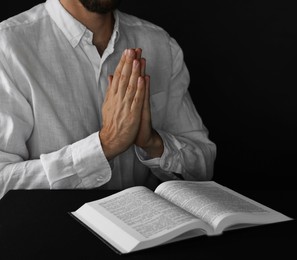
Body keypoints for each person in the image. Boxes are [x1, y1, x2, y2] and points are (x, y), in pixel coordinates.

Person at [0, 0, 216, 199]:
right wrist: (105, 145)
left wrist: (152, 143)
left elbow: (203, 170)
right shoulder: (7, 47)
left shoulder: (160, 44)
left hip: (153, 237)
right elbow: (3, 182)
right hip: (56, 236)